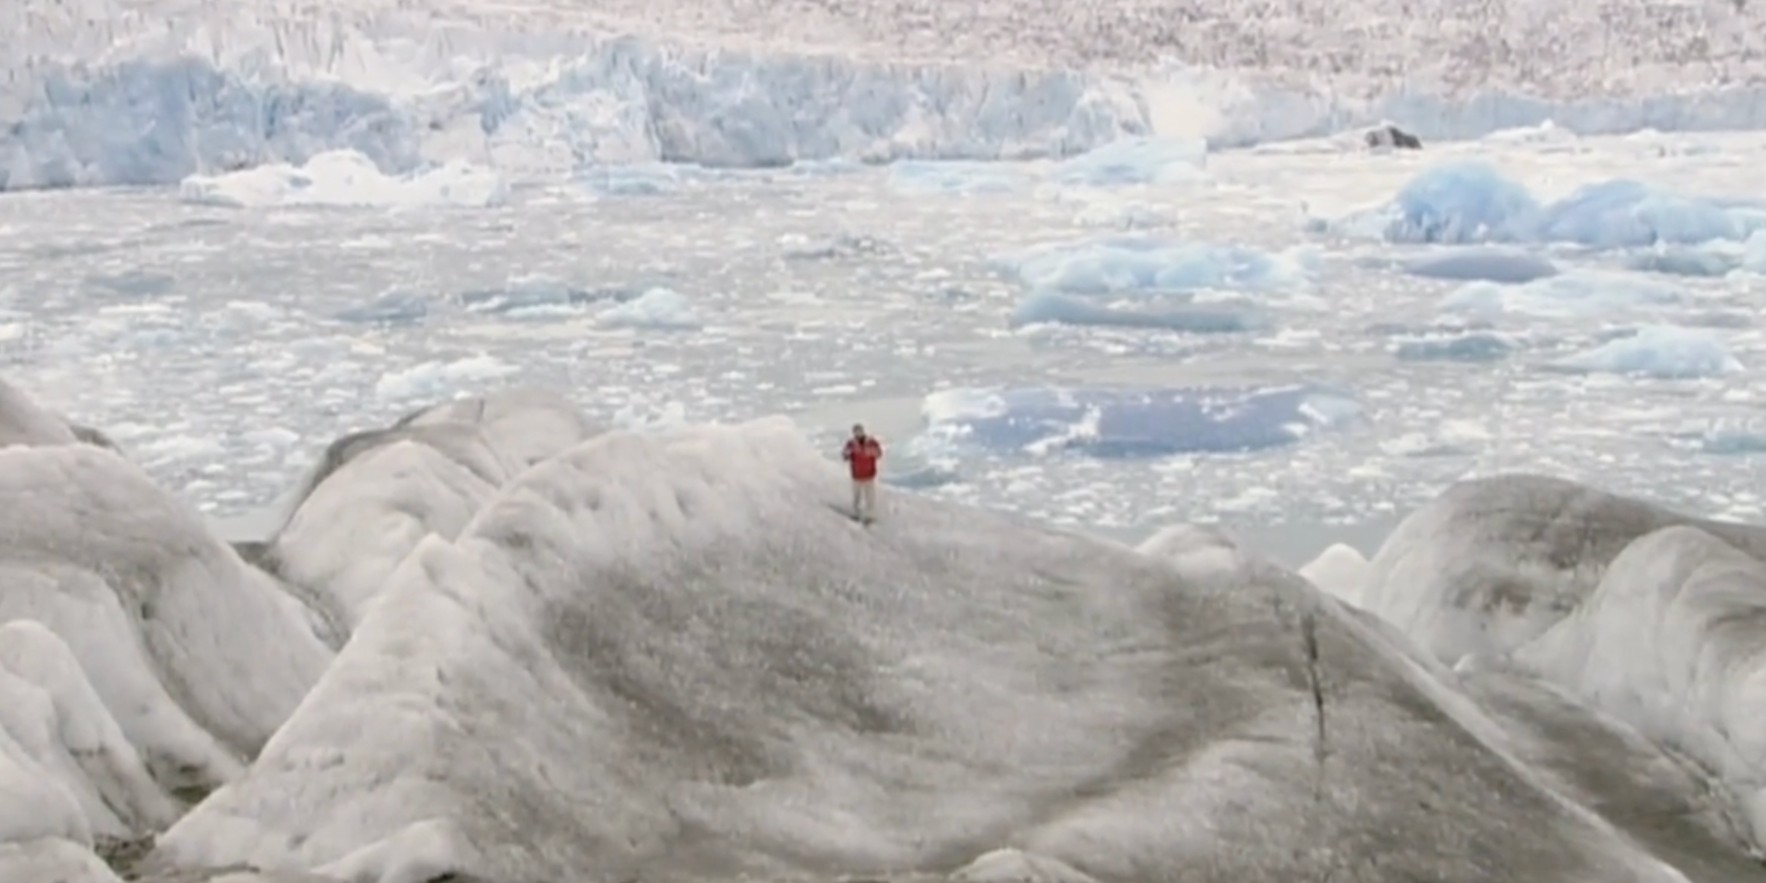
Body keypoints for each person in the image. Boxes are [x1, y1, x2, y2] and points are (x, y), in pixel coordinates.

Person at [841, 423, 883, 523]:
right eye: (856, 432)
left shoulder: (871, 442)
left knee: (870, 496)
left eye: (859, 431)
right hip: (856, 475)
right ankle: (856, 513)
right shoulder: (851, 444)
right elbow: (844, 456)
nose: (857, 434)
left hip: (869, 474)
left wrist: (870, 452)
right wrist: (847, 453)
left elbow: (879, 453)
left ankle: (870, 515)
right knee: (857, 496)